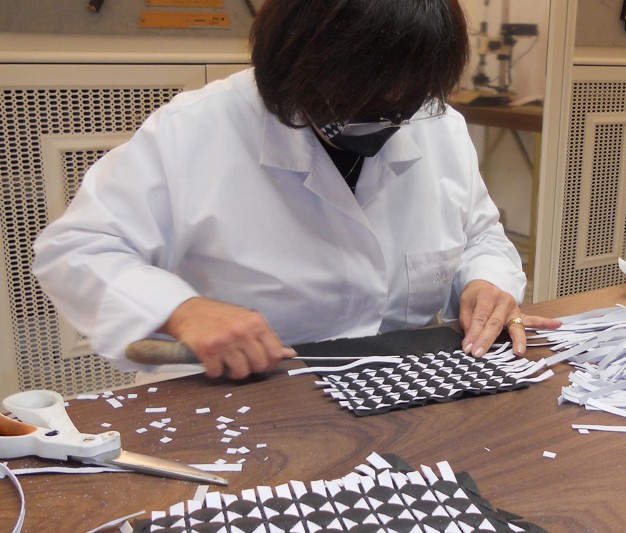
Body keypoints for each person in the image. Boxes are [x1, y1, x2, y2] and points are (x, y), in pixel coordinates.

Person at [32, 0, 561, 380]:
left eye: (402, 103)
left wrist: (486, 283)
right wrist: (182, 310)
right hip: (251, 394)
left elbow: (481, 235)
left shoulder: (437, 124)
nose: (383, 118)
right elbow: (76, 250)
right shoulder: (195, 131)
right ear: (294, 67)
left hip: (405, 382)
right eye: (357, 100)